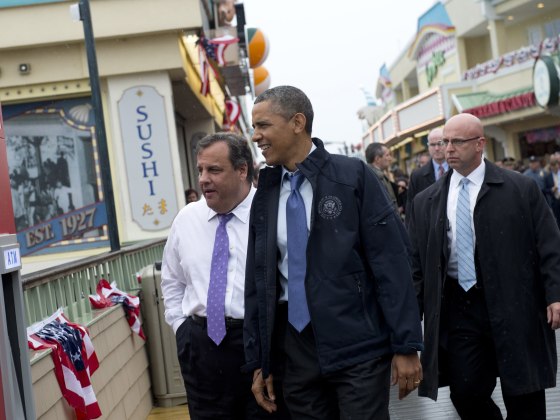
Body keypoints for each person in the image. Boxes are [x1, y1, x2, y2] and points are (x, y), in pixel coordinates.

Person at [245, 85, 423, 419]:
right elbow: (257, 283)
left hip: (359, 346)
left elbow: (392, 263)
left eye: (263, 125)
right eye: (255, 127)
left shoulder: (353, 177)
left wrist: (406, 343)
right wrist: (260, 361)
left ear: (298, 122)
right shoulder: (265, 195)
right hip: (295, 352)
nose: (256, 136)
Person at [408, 113, 560, 420]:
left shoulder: (519, 189)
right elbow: (415, 263)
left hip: (515, 304)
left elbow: (549, 245)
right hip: (460, 309)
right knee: (465, 393)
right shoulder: (427, 201)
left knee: (525, 395)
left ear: (480, 144)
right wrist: (409, 325)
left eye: (457, 141)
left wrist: (555, 293)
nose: (448, 148)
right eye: (444, 142)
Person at [161, 133, 285, 419]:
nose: (203, 179)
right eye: (200, 170)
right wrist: (182, 330)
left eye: (214, 170)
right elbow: (172, 281)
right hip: (201, 350)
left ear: (243, 170)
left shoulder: (271, 213)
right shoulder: (187, 219)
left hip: (258, 348)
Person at [406, 128, 448, 219]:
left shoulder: (459, 169)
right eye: (433, 145)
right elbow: (411, 206)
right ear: (428, 147)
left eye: (440, 143)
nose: (436, 148)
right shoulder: (417, 176)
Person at [365, 142, 399, 210]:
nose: (390, 158)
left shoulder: (373, 175)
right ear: (377, 159)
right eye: (387, 155)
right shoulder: (375, 178)